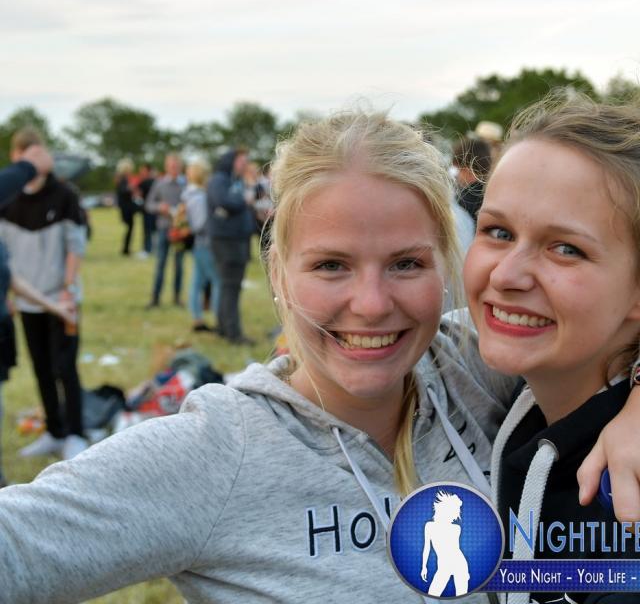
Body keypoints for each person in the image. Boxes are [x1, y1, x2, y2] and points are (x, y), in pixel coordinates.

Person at [0, 112, 637, 604]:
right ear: (278, 272)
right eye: (331, 265)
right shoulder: (217, 452)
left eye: (406, 264)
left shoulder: (477, 363)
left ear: (445, 264)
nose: (371, 304)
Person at [464, 95, 640, 604]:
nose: (506, 275)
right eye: (498, 231)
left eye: (566, 248)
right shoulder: (484, 378)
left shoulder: (625, 499)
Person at [0, 128, 88, 461]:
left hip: (61, 298)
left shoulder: (64, 195)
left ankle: (75, 433)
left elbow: (75, 247)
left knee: (65, 367)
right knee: (41, 368)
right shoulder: (7, 197)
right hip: (27, 299)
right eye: (28, 156)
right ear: (16, 158)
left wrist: (68, 289)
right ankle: (54, 430)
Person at [207, 148, 256, 345]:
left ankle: (223, 327)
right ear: (231, 161)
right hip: (227, 241)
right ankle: (233, 333)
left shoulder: (233, 180)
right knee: (231, 286)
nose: (245, 165)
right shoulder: (220, 180)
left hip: (235, 239)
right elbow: (223, 202)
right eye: (242, 161)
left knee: (228, 285)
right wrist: (243, 199)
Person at [182, 159, 220, 332]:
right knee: (217, 281)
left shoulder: (189, 194)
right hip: (205, 244)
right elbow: (199, 224)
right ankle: (219, 318)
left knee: (197, 281)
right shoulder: (199, 197)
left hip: (199, 245)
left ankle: (197, 317)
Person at [145, 153, 186, 308]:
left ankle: (177, 297)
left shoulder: (186, 183)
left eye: (176, 166)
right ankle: (155, 298)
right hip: (163, 228)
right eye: (171, 166)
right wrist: (159, 207)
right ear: (166, 167)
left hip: (180, 231)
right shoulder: (159, 183)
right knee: (161, 263)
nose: (174, 168)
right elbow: (149, 204)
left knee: (179, 264)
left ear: (180, 167)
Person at [452, 137, 492, 221]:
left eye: (459, 170)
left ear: (468, 171)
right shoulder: (492, 193)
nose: (457, 175)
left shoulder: (465, 201)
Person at [114, 158, 137, 256]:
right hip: (126, 208)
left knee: (130, 228)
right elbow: (123, 191)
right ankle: (126, 249)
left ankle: (126, 248)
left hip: (127, 207)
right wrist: (130, 188)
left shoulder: (123, 179)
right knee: (130, 227)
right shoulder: (122, 180)